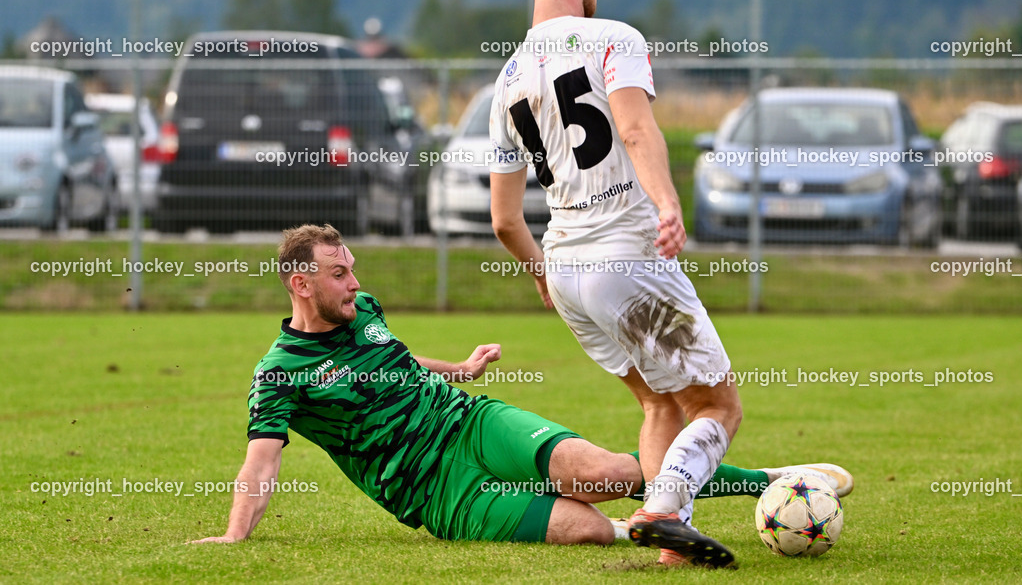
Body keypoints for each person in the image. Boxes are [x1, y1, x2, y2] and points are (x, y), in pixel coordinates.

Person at [191, 224, 851, 552]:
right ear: (301, 284)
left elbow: (392, 359)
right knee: (585, 529)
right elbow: (261, 459)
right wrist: (233, 536)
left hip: (468, 421)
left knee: (606, 470)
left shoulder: (364, 311)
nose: (354, 283)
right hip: (437, 491)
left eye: (352, 268)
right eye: (339, 274)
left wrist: (461, 370)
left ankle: (770, 478)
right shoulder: (279, 373)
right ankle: (645, 533)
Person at [489, 0, 754, 567]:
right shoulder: (615, 39)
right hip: (626, 257)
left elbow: (503, 218)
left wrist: (540, 275)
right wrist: (667, 203)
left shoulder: (507, 75)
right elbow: (635, 129)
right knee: (716, 405)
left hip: (568, 269)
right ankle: (662, 508)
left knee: (660, 401)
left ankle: (673, 549)